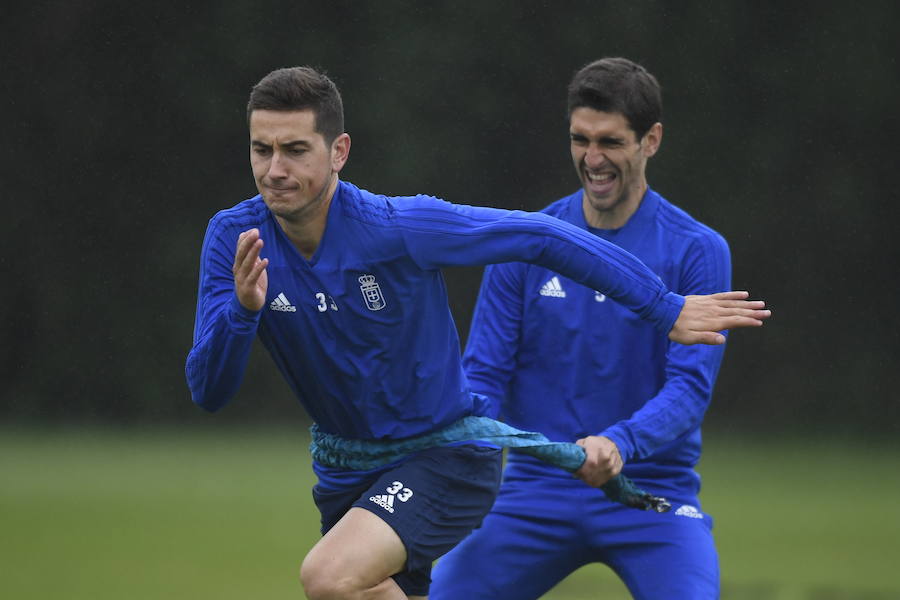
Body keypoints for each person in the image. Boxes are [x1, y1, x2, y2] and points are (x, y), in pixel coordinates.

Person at [185, 65, 768, 600]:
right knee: (357, 588)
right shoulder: (236, 240)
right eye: (261, 150)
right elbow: (208, 391)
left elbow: (541, 238)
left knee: (327, 576)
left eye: (294, 150)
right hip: (397, 477)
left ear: (338, 152)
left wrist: (665, 310)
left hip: (509, 470)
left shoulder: (398, 226)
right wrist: (243, 312)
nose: (275, 169)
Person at [430, 57, 733, 599]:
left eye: (611, 142)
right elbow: (484, 375)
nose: (593, 159)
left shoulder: (697, 250)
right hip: (532, 493)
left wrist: (621, 443)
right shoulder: (524, 243)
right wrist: (453, 447)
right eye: (580, 139)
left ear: (651, 140)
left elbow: (690, 389)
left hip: (650, 494)